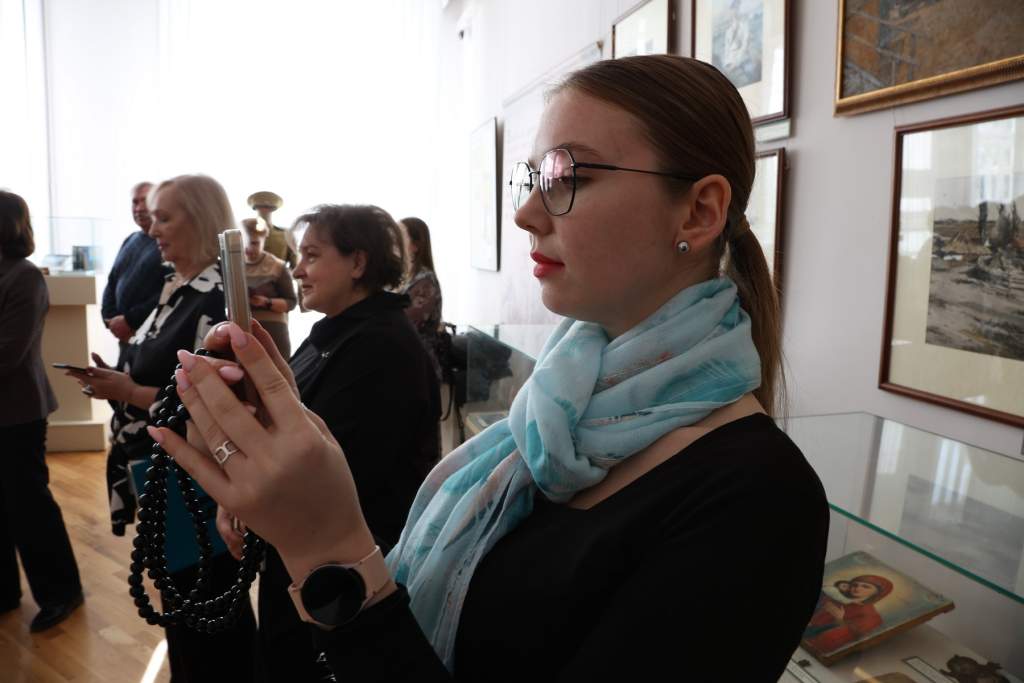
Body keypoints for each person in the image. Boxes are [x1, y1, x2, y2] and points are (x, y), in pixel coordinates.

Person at [156, 55, 829, 681]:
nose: (527, 213)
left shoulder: (759, 500)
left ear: (700, 211)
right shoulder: (556, 406)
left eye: (570, 178)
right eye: (533, 180)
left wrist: (327, 545)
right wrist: (291, 485)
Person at [218, 204, 440, 680]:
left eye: (312, 256)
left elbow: (321, 470)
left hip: (340, 577)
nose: (297, 270)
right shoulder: (338, 331)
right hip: (306, 558)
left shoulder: (381, 346)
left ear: (357, 263)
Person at [67, 175, 256, 682]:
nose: (152, 230)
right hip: (164, 473)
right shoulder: (176, 286)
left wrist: (129, 391)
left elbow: (217, 405)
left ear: (202, 219)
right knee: (186, 609)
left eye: (165, 217)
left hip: (195, 481)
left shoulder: (217, 299)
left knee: (207, 613)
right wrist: (121, 380)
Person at [0, 190, 84, 633]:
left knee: (29, 506)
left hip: (17, 412)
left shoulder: (25, 277)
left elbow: (8, 353)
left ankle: (61, 592)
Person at [100, 182, 168, 370]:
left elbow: (169, 290)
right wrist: (110, 319)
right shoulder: (131, 239)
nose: (138, 208)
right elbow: (112, 282)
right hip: (124, 337)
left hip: (152, 337)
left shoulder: (168, 243)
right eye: (135, 202)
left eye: (144, 201)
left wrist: (130, 320)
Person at [241, 217, 296, 358]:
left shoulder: (277, 266)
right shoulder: (232, 266)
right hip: (242, 330)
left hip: (274, 331)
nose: (248, 248)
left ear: (263, 240)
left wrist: (267, 302)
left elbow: (291, 302)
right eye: (244, 243)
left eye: (254, 243)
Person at [399, 217, 443, 380]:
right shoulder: (401, 277)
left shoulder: (425, 281)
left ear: (415, 246)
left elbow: (404, 325)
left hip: (418, 367)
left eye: (400, 236)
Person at [804, 575, 892, 653]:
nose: (857, 588)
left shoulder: (872, 616)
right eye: (855, 585)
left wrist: (839, 619)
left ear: (877, 592)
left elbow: (834, 638)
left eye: (866, 586)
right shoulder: (834, 597)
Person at [246, 191, 297, 268]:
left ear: (273, 209)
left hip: (279, 274)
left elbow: (294, 265)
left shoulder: (285, 234)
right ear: (255, 208)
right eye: (260, 207)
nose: (264, 211)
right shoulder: (245, 235)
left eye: (267, 207)